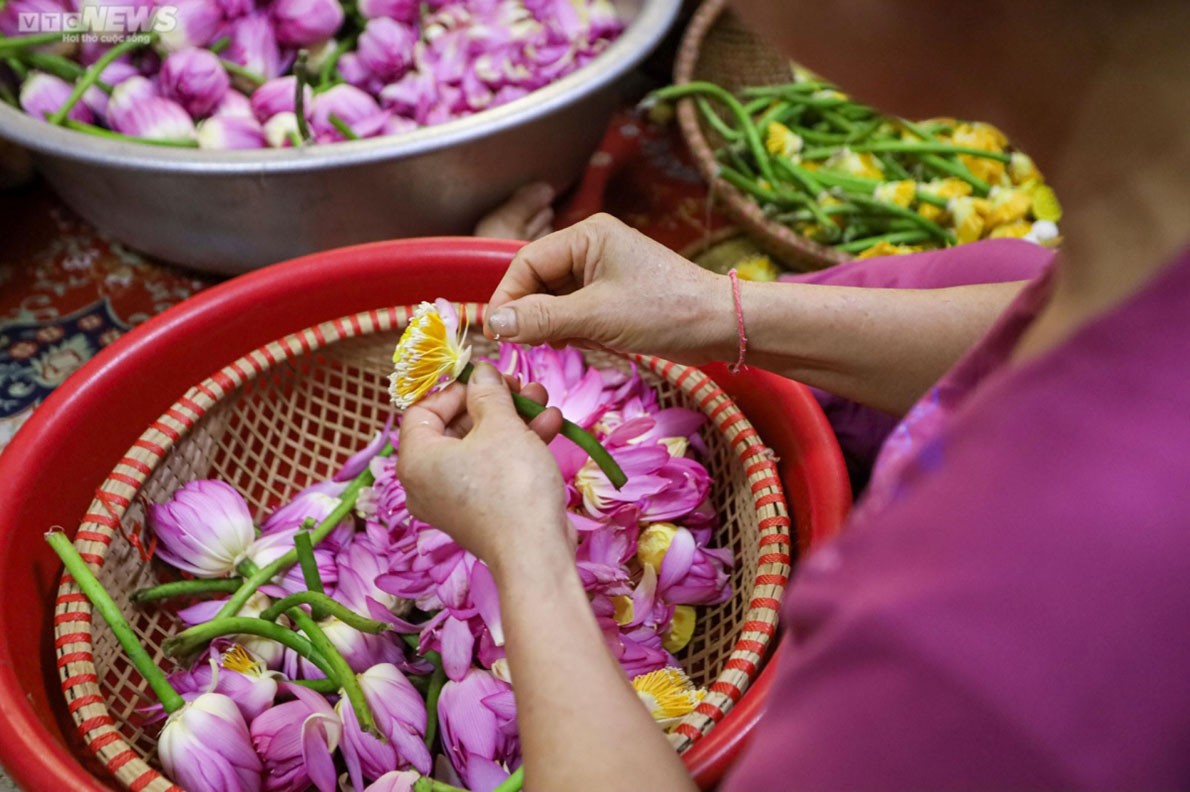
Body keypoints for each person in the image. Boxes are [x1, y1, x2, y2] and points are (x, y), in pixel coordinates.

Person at [396, 0, 1190, 788]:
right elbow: (1025, 315)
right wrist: (718, 312)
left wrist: (527, 555)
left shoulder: (974, 648)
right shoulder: (1136, 254)